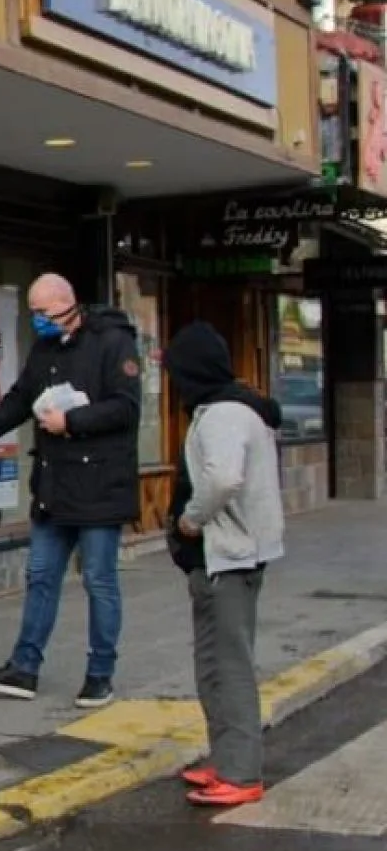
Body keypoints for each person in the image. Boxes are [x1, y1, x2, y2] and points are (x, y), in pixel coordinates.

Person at [0, 273, 141, 708]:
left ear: (66, 303)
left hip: (100, 484)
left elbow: (126, 408)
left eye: (42, 312)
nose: (37, 320)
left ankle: (99, 674)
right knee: (40, 577)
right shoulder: (45, 349)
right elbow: (18, 401)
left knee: (99, 580)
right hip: (54, 484)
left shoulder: (113, 342)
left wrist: (71, 422)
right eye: (33, 312)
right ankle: (24, 667)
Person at [163, 321, 284, 808]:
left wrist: (191, 521)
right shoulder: (233, 408)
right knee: (212, 662)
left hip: (229, 557)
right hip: (229, 556)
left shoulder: (222, 415)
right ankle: (226, 757)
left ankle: (239, 771)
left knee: (228, 665)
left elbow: (222, 479)